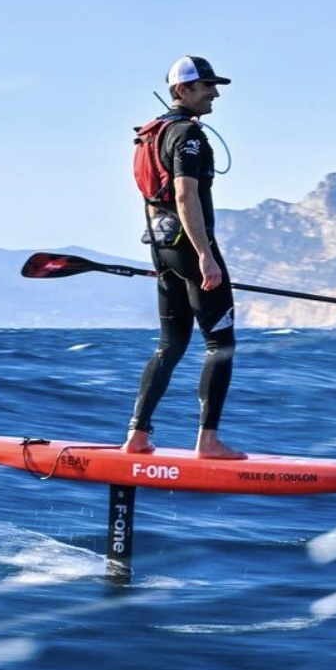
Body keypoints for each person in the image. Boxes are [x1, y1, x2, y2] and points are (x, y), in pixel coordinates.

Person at [123, 55, 245, 459]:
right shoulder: (187, 134)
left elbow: (153, 201)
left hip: (163, 250)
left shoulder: (152, 134)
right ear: (183, 90)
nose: (214, 94)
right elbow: (183, 195)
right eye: (207, 86)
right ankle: (208, 441)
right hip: (191, 248)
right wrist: (205, 256)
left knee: (170, 344)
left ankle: (137, 436)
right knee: (220, 344)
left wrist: (166, 258)